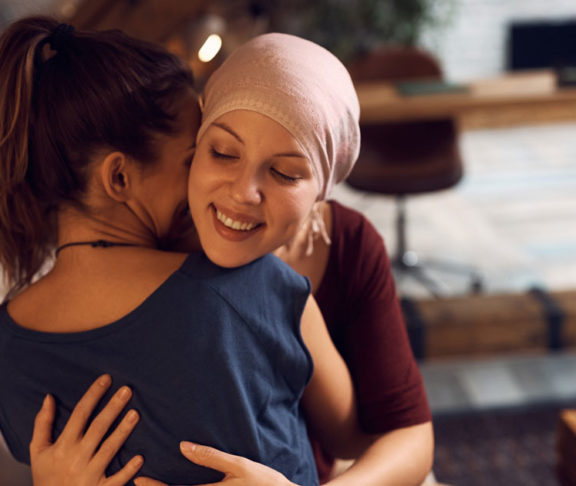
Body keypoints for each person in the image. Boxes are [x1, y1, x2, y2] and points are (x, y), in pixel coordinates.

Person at [0, 17, 431, 486]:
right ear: (119, 178)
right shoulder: (256, 289)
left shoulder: (9, 346)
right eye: (214, 154)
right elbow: (350, 435)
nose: (241, 193)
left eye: (285, 173)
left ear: (319, 191)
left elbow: (397, 434)